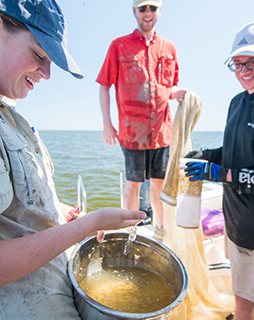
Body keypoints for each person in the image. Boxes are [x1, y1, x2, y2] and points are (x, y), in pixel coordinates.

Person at [0, 1, 146, 319]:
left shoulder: (1, 110)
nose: (47, 74)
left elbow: (14, 215)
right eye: (39, 55)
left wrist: (62, 214)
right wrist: (90, 224)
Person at [184, 21, 254, 320]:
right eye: (236, 64)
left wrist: (222, 174)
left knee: (243, 302)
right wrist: (207, 156)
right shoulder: (237, 102)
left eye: (252, 62)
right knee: (251, 294)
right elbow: (236, 150)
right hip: (235, 218)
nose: (243, 71)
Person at [96, 0, 186, 232]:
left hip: (162, 132)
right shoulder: (118, 45)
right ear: (134, 11)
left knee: (158, 184)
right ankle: (130, 232)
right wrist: (107, 124)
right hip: (132, 132)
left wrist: (181, 94)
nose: (148, 13)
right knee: (133, 183)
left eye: (153, 8)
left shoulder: (170, 48)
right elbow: (104, 85)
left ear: (159, 11)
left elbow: (170, 88)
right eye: (143, 8)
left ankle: (160, 229)